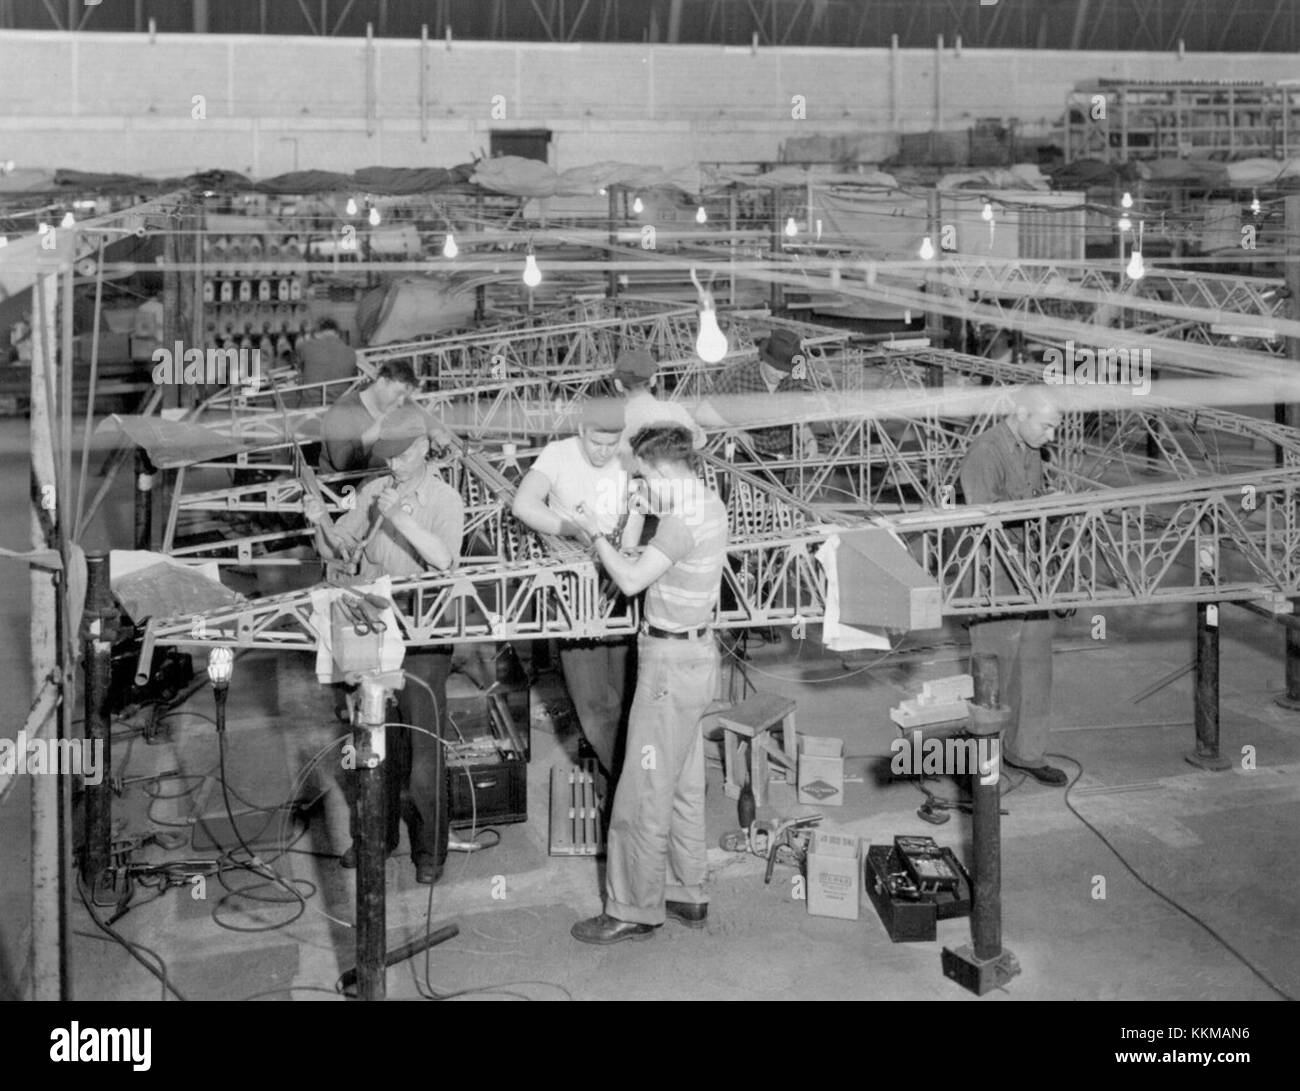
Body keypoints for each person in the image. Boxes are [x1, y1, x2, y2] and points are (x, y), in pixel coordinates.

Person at [569, 423, 729, 944]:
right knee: (683, 784)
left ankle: (632, 910)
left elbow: (631, 578)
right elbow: (643, 553)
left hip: (668, 665)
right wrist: (639, 509)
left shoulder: (682, 519)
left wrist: (594, 531)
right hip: (695, 658)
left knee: (641, 792)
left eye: (641, 473)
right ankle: (689, 892)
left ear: (659, 467)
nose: (640, 482)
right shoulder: (704, 501)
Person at [304, 422, 465, 883]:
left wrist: (401, 519)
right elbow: (342, 549)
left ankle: (430, 851)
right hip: (371, 625)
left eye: (399, 456)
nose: (391, 465)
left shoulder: (444, 500)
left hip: (420, 633)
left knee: (422, 751)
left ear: (421, 449)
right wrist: (319, 523)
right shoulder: (376, 487)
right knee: (372, 742)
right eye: (387, 457)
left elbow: (443, 559)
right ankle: (374, 837)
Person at [510, 401, 638, 781]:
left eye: (611, 443)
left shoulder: (629, 456)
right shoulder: (557, 453)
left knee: (626, 694)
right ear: (581, 431)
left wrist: (626, 558)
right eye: (596, 442)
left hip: (619, 583)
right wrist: (569, 527)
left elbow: (639, 511)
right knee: (594, 703)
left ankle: (624, 779)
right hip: (573, 591)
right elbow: (523, 505)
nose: (604, 452)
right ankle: (624, 783)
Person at [958, 384, 1067, 787]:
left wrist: (1051, 505)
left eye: (1055, 428)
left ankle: (1026, 752)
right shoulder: (986, 452)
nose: (1051, 437)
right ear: (1020, 414)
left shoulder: (1033, 451)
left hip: (1031, 571)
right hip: (995, 573)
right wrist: (1034, 510)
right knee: (993, 669)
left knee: (1035, 664)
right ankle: (980, 768)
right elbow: (981, 518)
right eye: (1047, 427)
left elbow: (1031, 502)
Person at [697, 327, 817, 462]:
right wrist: (735, 431)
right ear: (764, 358)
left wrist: (809, 440)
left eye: (786, 370)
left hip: (781, 454)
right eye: (776, 368)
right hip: (742, 453)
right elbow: (703, 413)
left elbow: (799, 416)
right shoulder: (737, 374)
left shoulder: (795, 377)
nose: (781, 375)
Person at [317, 359, 442, 475]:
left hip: (384, 480)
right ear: (381, 383)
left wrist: (436, 434)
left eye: (405, 396)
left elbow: (422, 415)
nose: (401, 401)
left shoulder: (394, 402)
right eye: (398, 393)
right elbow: (341, 463)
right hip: (345, 489)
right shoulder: (342, 412)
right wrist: (372, 434)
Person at [611, 346, 706, 455]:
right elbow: (700, 441)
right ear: (653, 380)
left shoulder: (617, 425)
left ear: (618, 385)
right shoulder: (675, 410)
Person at [297, 316, 359, 397]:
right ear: (337, 334)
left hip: (311, 401)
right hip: (341, 401)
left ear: (316, 334)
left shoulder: (306, 347)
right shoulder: (351, 351)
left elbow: (300, 368)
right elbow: (354, 378)